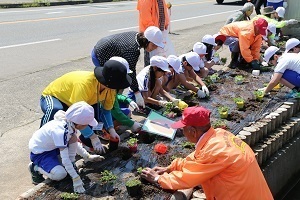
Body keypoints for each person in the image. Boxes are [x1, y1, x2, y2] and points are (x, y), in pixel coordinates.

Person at [141, 106, 273, 199]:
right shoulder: (220, 135)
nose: (182, 132)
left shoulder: (215, 151)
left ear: (193, 131)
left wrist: (158, 178)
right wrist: (170, 167)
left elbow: (188, 177)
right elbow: (197, 158)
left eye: (183, 129)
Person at [40, 60, 131, 154]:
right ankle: (43, 144)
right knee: (55, 112)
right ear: (109, 82)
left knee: (91, 117)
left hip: (82, 102)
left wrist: (111, 129)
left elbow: (106, 111)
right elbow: (78, 116)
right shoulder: (85, 85)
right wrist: (93, 137)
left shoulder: (110, 89)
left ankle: (84, 142)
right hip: (55, 97)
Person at [28, 101, 104, 193]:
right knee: (60, 174)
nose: (87, 126)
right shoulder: (61, 131)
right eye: (87, 124)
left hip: (53, 147)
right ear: (79, 124)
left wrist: (87, 156)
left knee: (73, 139)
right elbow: (65, 159)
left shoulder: (69, 123)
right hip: (41, 153)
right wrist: (75, 178)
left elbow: (74, 142)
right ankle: (35, 168)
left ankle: (63, 166)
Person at [91, 26, 164, 108]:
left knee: (119, 82)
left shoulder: (136, 36)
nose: (154, 48)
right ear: (147, 41)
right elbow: (131, 73)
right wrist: (137, 92)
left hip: (104, 49)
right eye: (154, 45)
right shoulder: (132, 49)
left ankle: (114, 105)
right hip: (100, 55)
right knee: (110, 84)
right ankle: (108, 108)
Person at [137, 0, 176, 66]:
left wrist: (166, 23)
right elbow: (146, 18)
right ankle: (150, 74)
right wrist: (154, 33)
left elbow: (163, 12)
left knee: (161, 57)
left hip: (159, 33)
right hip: (151, 36)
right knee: (151, 60)